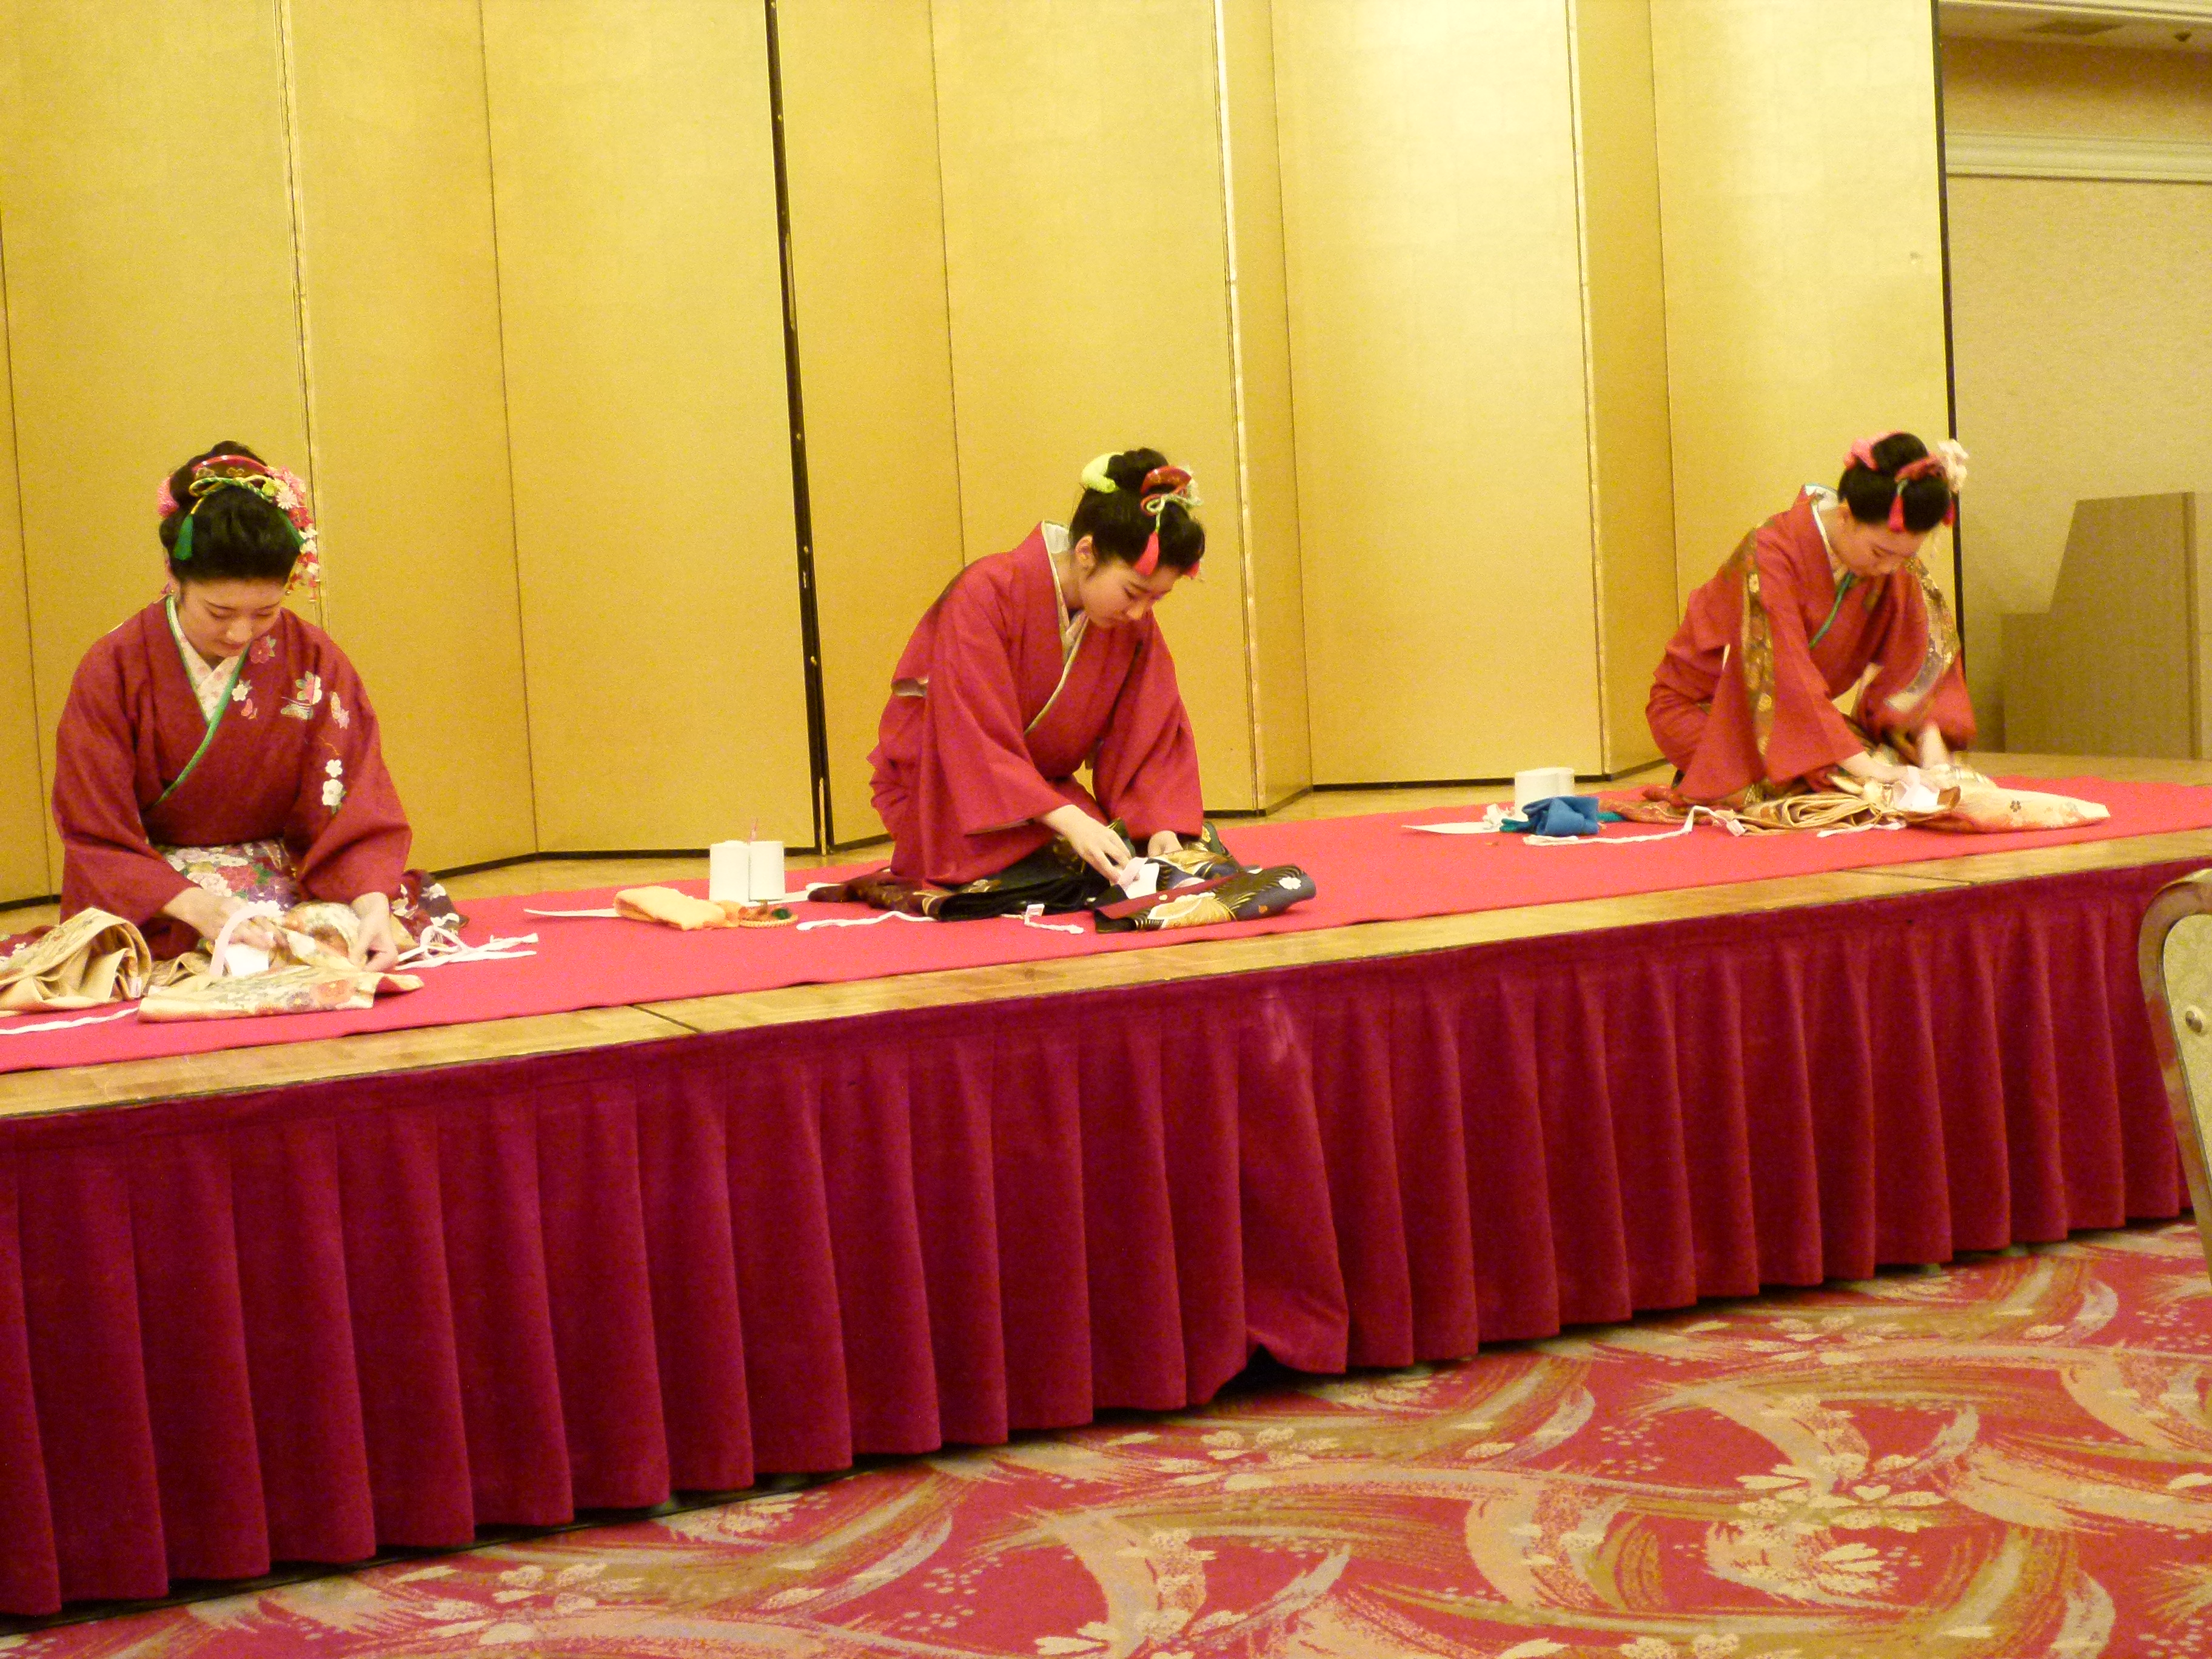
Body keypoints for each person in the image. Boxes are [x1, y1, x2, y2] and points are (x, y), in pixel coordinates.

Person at [52, 443, 417, 966]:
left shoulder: (313, 657)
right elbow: (95, 826)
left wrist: (371, 904)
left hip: (284, 879)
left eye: (265, 613)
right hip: (163, 896)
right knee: (163, 954)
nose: (241, 633)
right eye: (219, 612)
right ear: (173, 574)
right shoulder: (114, 666)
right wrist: (200, 906)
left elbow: (353, 798)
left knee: (340, 937)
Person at [870, 447, 1206, 888]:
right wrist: (1070, 819)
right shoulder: (988, 592)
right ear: (1086, 552)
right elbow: (969, 732)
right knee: (1068, 873)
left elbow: (1149, 726)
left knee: (1142, 860)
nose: (1140, 613)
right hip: (950, 792)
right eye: (1132, 592)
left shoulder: (1129, 624)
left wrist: (1160, 825)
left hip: (1040, 793)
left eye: (1155, 599)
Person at [1647, 432, 1976, 805]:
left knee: (1897, 769)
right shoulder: (1770, 553)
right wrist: (1870, 771)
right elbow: (1783, 673)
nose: (1890, 568)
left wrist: (1934, 759)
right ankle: (1720, 778)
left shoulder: (1892, 564)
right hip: (1709, 711)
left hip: (1793, 716)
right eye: (1880, 553)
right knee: (1838, 786)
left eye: (1905, 556)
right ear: (1847, 516)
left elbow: (1922, 662)